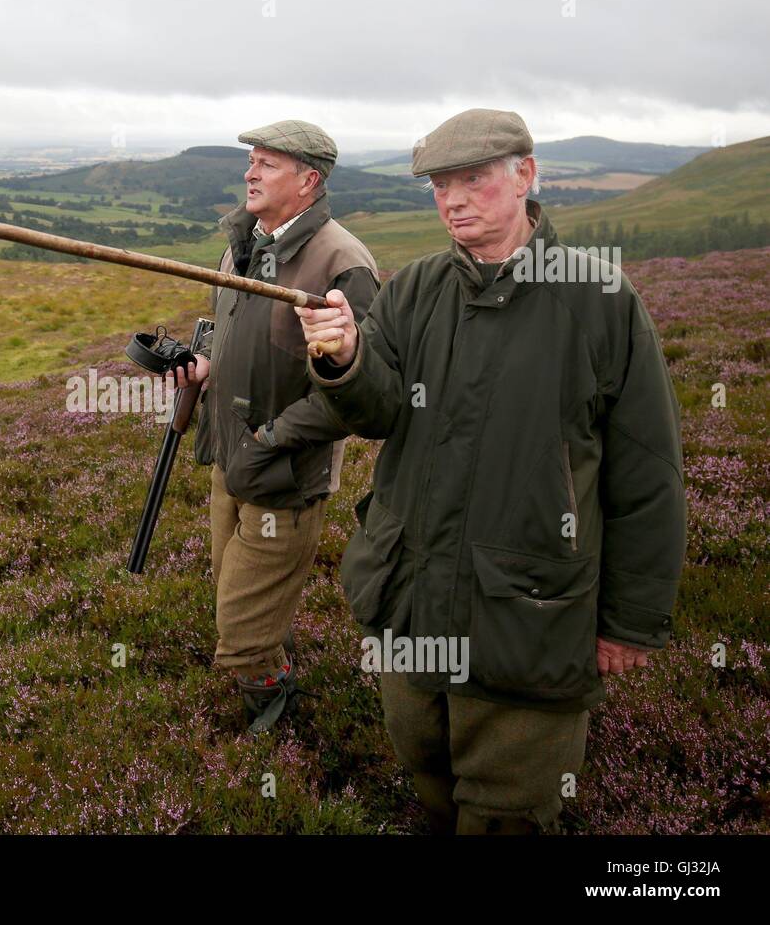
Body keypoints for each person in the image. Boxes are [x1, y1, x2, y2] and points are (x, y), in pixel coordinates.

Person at [294, 108, 686, 832]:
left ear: (526, 176)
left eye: (473, 179)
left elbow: (648, 476)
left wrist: (631, 623)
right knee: (429, 783)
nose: (454, 200)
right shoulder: (413, 290)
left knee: (508, 814)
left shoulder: (600, 302)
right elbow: (376, 412)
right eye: (441, 185)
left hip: (527, 628)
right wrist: (343, 358)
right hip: (411, 610)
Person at [173, 120, 379, 734]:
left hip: (285, 476)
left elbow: (353, 391)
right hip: (230, 465)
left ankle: (273, 700)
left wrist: (269, 441)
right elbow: (232, 333)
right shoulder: (241, 244)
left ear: (309, 180)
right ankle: (268, 658)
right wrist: (205, 367)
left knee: (239, 629)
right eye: (251, 161)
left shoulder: (344, 264)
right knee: (230, 593)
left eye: (266, 163)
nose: (249, 173)